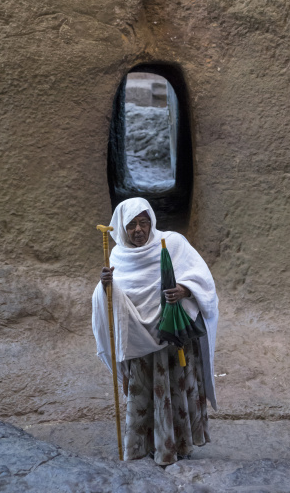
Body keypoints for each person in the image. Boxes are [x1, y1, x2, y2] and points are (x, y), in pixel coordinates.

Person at [92, 197, 218, 465]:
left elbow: (201, 278)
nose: (138, 230)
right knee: (144, 390)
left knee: (174, 390)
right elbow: (112, 299)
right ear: (122, 228)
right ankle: (143, 446)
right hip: (137, 341)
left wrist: (184, 289)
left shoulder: (172, 243)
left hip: (171, 338)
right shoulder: (117, 256)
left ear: (152, 222)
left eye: (143, 223)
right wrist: (105, 287)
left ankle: (177, 444)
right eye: (131, 225)